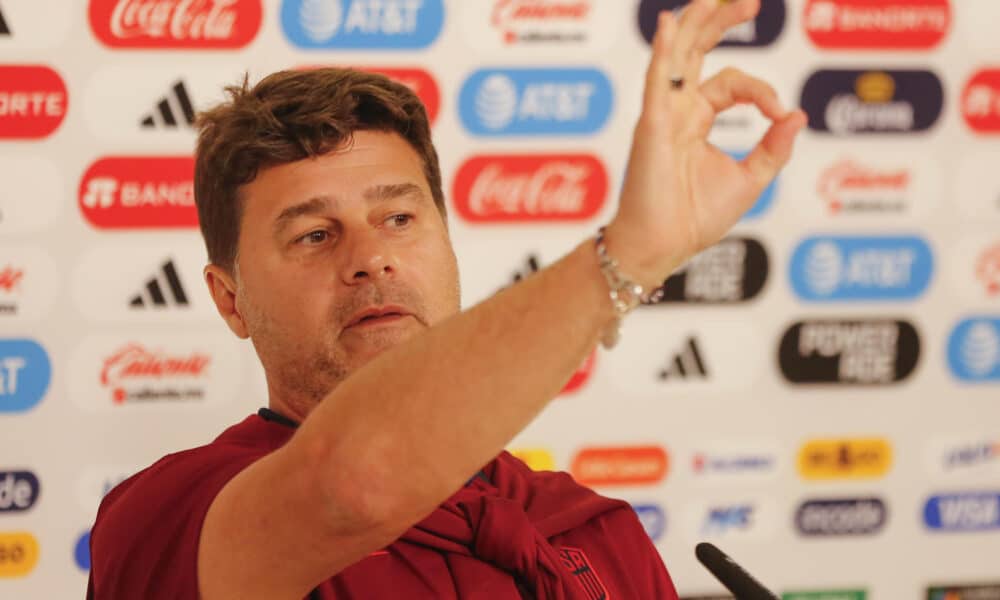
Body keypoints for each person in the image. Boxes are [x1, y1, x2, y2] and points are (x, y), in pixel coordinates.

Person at [87, 1, 806, 598]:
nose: (371, 259)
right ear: (230, 300)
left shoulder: (594, 528)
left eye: (399, 218)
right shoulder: (173, 514)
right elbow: (354, 483)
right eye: (312, 235)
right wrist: (631, 256)